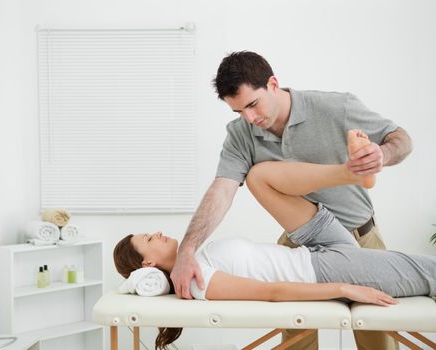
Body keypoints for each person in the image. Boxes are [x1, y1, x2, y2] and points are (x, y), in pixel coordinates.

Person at [170, 51, 413, 350]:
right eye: (238, 112)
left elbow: (401, 139)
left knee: (379, 339)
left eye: (252, 105)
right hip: (300, 247)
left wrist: (383, 155)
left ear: (273, 84)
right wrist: (187, 250)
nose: (249, 118)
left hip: (359, 235)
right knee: (296, 341)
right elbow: (221, 190)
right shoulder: (240, 134)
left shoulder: (336, 107)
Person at [113, 139, 435, 349]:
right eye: (149, 239)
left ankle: (349, 172)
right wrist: (345, 289)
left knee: (258, 176)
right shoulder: (199, 282)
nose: (157, 233)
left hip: (316, 243)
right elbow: (272, 292)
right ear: (148, 264)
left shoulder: (195, 257)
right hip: (321, 268)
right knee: (428, 272)